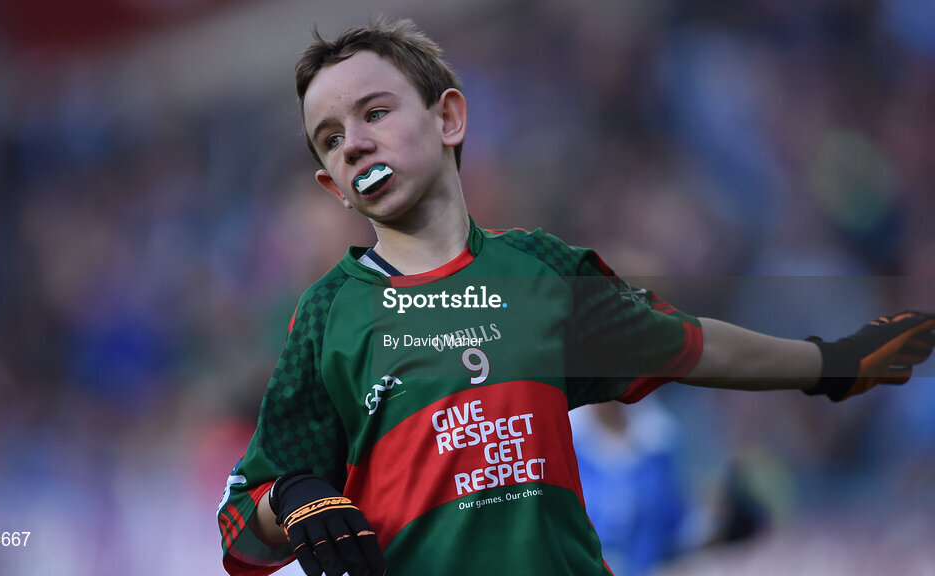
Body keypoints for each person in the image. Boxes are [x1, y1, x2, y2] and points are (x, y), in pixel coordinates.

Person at [216, 18, 935, 576]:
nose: (353, 144)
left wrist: (832, 363)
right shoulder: (329, 315)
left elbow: (691, 344)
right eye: (330, 139)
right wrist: (293, 499)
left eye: (375, 113)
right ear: (332, 186)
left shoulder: (541, 272)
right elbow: (241, 516)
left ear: (449, 118)